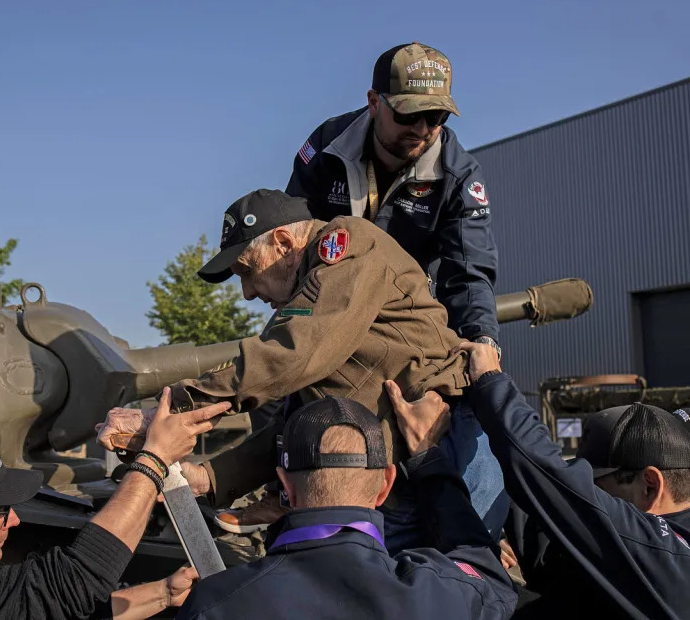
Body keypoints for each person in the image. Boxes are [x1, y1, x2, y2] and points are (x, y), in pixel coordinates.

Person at [98, 189, 503, 549]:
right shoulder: (315, 305)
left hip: (445, 454)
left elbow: (290, 356)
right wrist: (211, 476)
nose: (247, 292)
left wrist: (172, 409)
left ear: (283, 242)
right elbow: (300, 418)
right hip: (401, 469)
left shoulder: (348, 244)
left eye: (245, 271)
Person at [0, 390, 231, 620]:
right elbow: (75, 580)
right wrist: (154, 460)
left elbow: (52, 611)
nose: (13, 520)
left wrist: (164, 593)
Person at [176, 392, 517, 620]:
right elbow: (489, 576)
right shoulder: (444, 593)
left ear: (284, 486)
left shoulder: (215, 604)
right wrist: (428, 459)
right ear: (385, 484)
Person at [442, 341, 690, 619]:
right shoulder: (647, 558)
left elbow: (553, 481)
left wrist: (491, 383)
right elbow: (552, 546)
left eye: (596, 487)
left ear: (650, 486)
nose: (589, 495)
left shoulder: (664, 555)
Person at [286, 42, 499, 354]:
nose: (422, 129)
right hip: (323, 306)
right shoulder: (326, 148)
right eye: (409, 114)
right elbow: (292, 240)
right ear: (374, 103)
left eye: (436, 115)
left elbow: (469, 276)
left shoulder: (459, 176)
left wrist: (482, 341)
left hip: (405, 314)